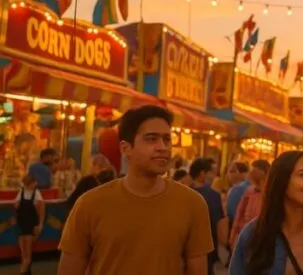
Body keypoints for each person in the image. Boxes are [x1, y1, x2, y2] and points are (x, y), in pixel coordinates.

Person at [57, 104, 213, 275]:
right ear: (126, 148)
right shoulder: (90, 204)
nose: (162, 147)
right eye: (151, 139)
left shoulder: (192, 204)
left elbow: (198, 269)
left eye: (167, 139)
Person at [189, 158, 226, 275]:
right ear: (202, 173)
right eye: (211, 172)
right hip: (207, 246)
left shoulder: (184, 192)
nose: (213, 175)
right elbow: (219, 223)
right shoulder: (213, 195)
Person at [231, 160, 271, 248]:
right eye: (251, 171)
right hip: (246, 233)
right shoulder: (249, 191)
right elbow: (239, 213)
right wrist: (233, 236)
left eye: (255, 171)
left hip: (263, 236)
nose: (251, 173)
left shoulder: (271, 193)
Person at [14, 174, 45, 275]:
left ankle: (22, 271)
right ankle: (27, 272)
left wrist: (40, 224)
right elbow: (16, 205)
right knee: (23, 254)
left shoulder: (37, 193)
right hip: (21, 225)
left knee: (27, 255)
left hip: (31, 226)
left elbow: (41, 209)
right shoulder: (21, 192)